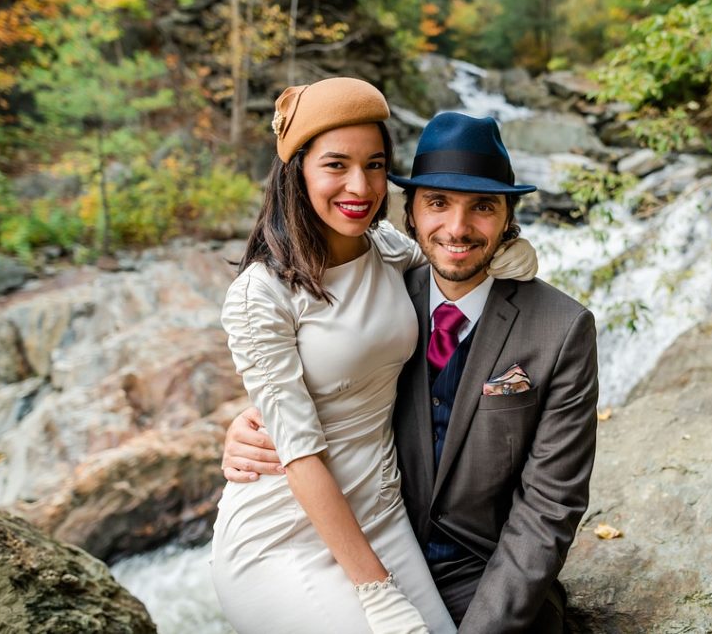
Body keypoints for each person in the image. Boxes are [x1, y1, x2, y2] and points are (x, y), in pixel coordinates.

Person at [223, 111, 600, 632]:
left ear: (508, 216)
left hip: (482, 571)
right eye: (438, 203)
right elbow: (320, 375)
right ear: (411, 213)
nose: (457, 229)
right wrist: (250, 422)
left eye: (483, 207)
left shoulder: (562, 330)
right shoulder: (392, 291)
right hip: (357, 539)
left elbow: (549, 508)